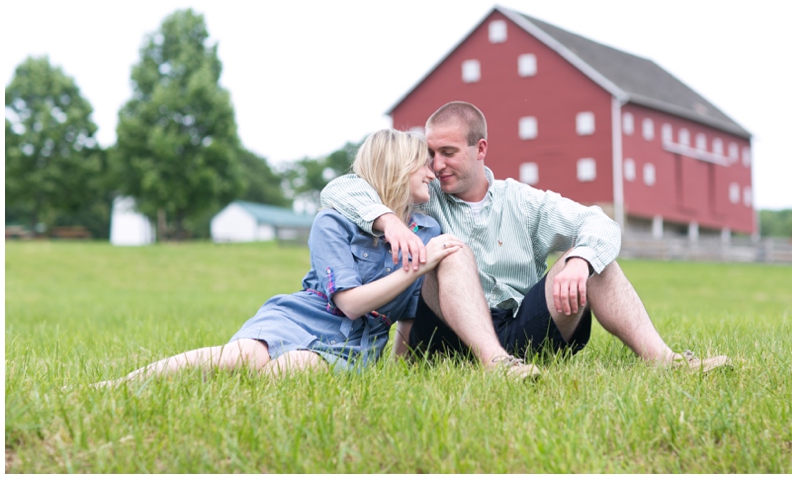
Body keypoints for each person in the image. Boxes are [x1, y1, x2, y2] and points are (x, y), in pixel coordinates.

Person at [321, 102, 730, 374]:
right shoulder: (427, 200)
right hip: (450, 334)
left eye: (448, 152)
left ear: (480, 148)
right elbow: (340, 189)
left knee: (594, 258)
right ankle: (496, 365)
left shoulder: (525, 201)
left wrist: (580, 261)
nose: (436, 164)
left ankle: (667, 361)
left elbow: (600, 224)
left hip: (522, 328)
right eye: (431, 154)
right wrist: (390, 221)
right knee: (449, 252)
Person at [94, 129, 472, 387]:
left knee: (288, 373)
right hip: (304, 316)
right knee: (240, 357)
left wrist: (397, 376)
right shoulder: (332, 222)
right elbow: (350, 304)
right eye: (423, 163)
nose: (432, 172)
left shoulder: (427, 231)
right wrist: (419, 266)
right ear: (398, 167)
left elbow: (405, 318)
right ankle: (120, 385)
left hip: (355, 345)